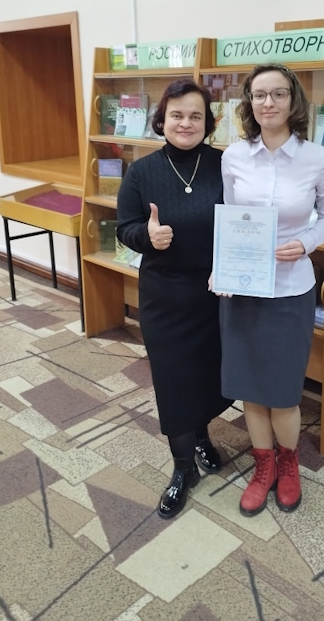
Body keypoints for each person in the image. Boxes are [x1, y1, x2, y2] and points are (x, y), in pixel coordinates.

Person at [217, 63, 324, 516]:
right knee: (251, 387)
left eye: (278, 94)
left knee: (284, 390)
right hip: (244, 288)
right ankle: (263, 466)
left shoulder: (317, 159)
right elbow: (229, 218)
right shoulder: (234, 157)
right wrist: (221, 268)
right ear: (249, 102)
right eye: (259, 95)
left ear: (293, 101)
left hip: (290, 289)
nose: (268, 102)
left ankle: (289, 466)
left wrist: (305, 243)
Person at [117, 78, 232, 520]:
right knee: (173, 379)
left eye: (195, 116)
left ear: (208, 122)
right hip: (164, 297)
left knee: (206, 374)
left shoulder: (224, 166)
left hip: (214, 292)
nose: (186, 123)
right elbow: (125, 227)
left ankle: (201, 435)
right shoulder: (141, 172)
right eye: (177, 115)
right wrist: (146, 237)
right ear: (162, 119)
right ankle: (183, 468)